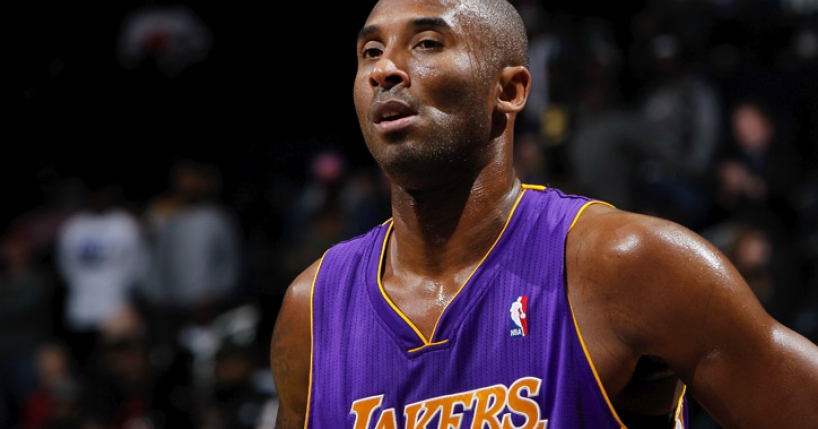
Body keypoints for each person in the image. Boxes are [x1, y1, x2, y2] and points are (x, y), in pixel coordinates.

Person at [269, 0, 818, 428]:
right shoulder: (311, 309)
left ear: (509, 90)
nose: (385, 69)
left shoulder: (627, 264)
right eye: (370, 52)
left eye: (427, 43)